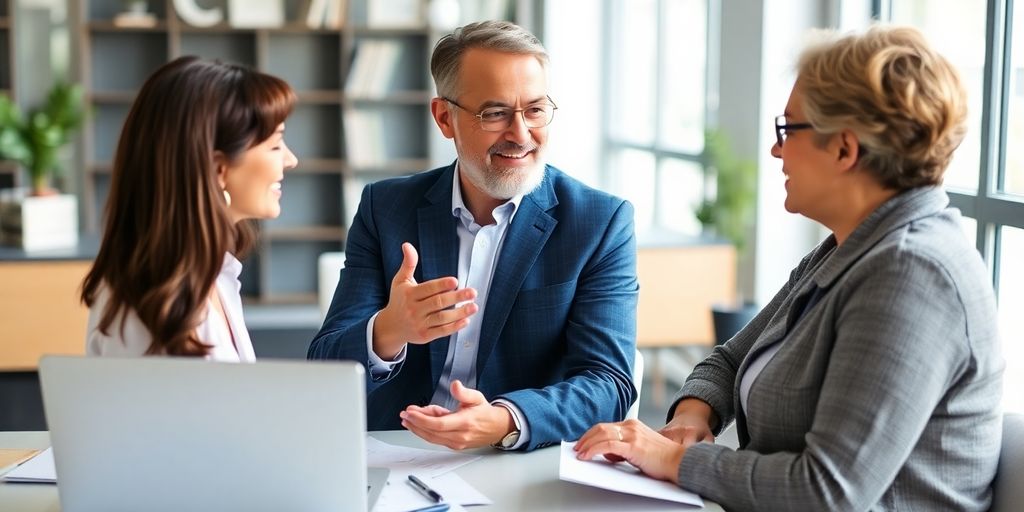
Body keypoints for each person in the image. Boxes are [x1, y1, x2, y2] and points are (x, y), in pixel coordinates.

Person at [575, 25, 1003, 510]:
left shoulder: (912, 274)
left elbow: (826, 491)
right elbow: (731, 359)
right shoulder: (850, 246)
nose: (777, 150)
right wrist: (693, 416)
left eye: (788, 129)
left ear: (844, 148)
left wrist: (672, 461)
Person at [308, 20, 638, 451]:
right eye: (495, 113)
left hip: (519, 454)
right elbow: (324, 369)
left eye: (535, 110)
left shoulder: (599, 222)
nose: (520, 135)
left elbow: (608, 384)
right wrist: (389, 330)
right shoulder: (385, 208)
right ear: (445, 118)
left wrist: (505, 419)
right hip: (395, 451)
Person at [81, 56, 298, 361]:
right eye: (275, 145)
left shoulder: (213, 276)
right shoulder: (151, 305)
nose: (290, 160)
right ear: (218, 169)